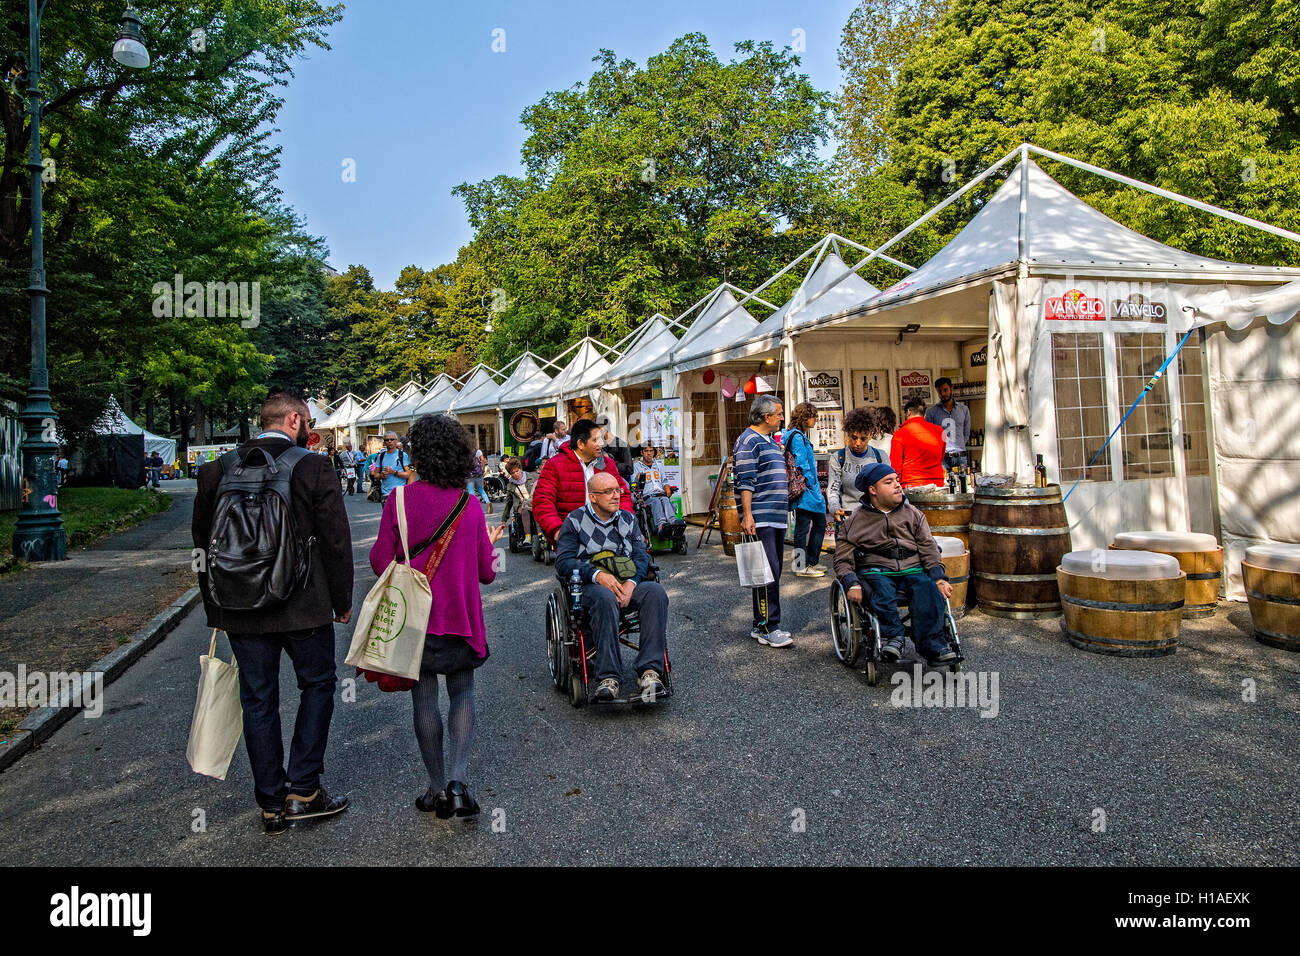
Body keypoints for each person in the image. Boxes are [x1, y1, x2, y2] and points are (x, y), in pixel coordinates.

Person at [191, 388, 354, 834]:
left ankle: (270, 801)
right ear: (296, 421)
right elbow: (336, 541)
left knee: (257, 701)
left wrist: (216, 609)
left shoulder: (216, 471)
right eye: (309, 422)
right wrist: (342, 602)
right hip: (303, 605)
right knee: (317, 685)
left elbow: (202, 545)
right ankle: (304, 789)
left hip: (240, 607)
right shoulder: (314, 468)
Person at [369, 414, 505, 819]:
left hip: (415, 623)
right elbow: (486, 573)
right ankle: (459, 782)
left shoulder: (398, 502)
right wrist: (488, 547)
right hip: (461, 621)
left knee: (424, 700)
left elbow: (379, 562)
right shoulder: (470, 504)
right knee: (463, 693)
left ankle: (434, 788)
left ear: (418, 455)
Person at [555, 471, 669, 702]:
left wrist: (631, 582)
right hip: (590, 586)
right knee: (604, 599)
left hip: (626, 580)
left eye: (617, 490)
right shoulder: (575, 521)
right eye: (608, 492)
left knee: (656, 593)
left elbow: (641, 555)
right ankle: (608, 678)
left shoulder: (628, 519)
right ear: (593, 497)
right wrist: (597, 575)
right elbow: (564, 562)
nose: (616, 496)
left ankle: (650, 672)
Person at [833, 462, 956, 665]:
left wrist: (939, 578)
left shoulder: (913, 514)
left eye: (897, 480)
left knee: (928, 590)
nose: (897, 485)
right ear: (873, 490)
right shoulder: (856, 520)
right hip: (875, 570)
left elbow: (929, 548)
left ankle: (933, 645)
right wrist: (851, 582)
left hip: (912, 567)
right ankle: (893, 637)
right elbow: (842, 558)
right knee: (880, 590)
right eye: (889, 482)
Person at [732, 393, 791, 648]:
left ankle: (761, 623)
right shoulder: (749, 441)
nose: (781, 417)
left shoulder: (767, 440)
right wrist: (747, 514)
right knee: (768, 572)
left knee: (769, 571)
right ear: (766, 416)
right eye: (778, 413)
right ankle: (769, 626)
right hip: (762, 516)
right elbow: (745, 481)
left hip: (774, 517)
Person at [532, 417, 632, 544]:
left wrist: (624, 524)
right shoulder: (555, 465)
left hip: (609, 536)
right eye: (596, 440)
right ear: (580, 444)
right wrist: (558, 530)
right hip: (573, 540)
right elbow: (542, 501)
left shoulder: (608, 464)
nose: (601, 443)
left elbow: (623, 495)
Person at [784, 402, 828, 578]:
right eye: (813, 416)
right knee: (806, 528)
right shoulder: (797, 437)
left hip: (807, 490)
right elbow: (802, 463)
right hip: (807, 490)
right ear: (804, 417)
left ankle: (808, 562)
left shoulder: (796, 435)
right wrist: (812, 484)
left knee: (813, 525)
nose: (816, 420)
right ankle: (802, 565)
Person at [827, 406, 888, 525]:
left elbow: (890, 487)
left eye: (863, 439)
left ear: (871, 435)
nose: (857, 443)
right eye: (854, 438)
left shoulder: (880, 457)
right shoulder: (838, 458)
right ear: (848, 434)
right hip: (848, 518)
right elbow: (833, 489)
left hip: (875, 519)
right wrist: (835, 508)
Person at [890, 398, 946, 488]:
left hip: (911, 485)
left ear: (908, 412)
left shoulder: (900, 434)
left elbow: (896, 466)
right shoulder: (940, 431)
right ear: (924, 415)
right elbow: (940, 457)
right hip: (937, 484)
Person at [925, 378, 971, 471]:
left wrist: (959, 445)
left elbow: (966, 433)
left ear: (951, 389)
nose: (943, 394)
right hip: (942, 457)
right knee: (944, 484)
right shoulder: (932, 412)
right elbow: (928, 435)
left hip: (960, 455)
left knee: (962, 482)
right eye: (939, 391)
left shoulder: (964, 409)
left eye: (945, 390)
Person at [498, 456, 536, 543]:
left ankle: (542, 535)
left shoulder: (532, 477)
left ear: (520, 469)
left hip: (534, 502)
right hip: (521, 505)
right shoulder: (510, 485)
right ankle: (527, 536)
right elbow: (508, 503)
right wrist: (504, 520)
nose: (516, 474)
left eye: (517, 471)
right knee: (524, 509)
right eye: (513, 473)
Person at [377, 431, 413, 501]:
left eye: (392, 439)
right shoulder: (381, 456)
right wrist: (381, 475)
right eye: (387, 440)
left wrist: (393, 472)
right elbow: (375, 474)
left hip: (399, 493)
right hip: (385, 494)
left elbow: (408, 474)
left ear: (396, 441)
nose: (389, 441)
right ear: (384, 442)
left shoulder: (403, 455)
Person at [468, 447, 493, 514]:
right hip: (478, 474)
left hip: (470, 475)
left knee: (471, 491)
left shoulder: (465, 452)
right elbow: (482, 460)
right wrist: (483, 469)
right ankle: (488, 502)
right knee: (481, 489)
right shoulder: (478, 451)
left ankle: (474, 507)